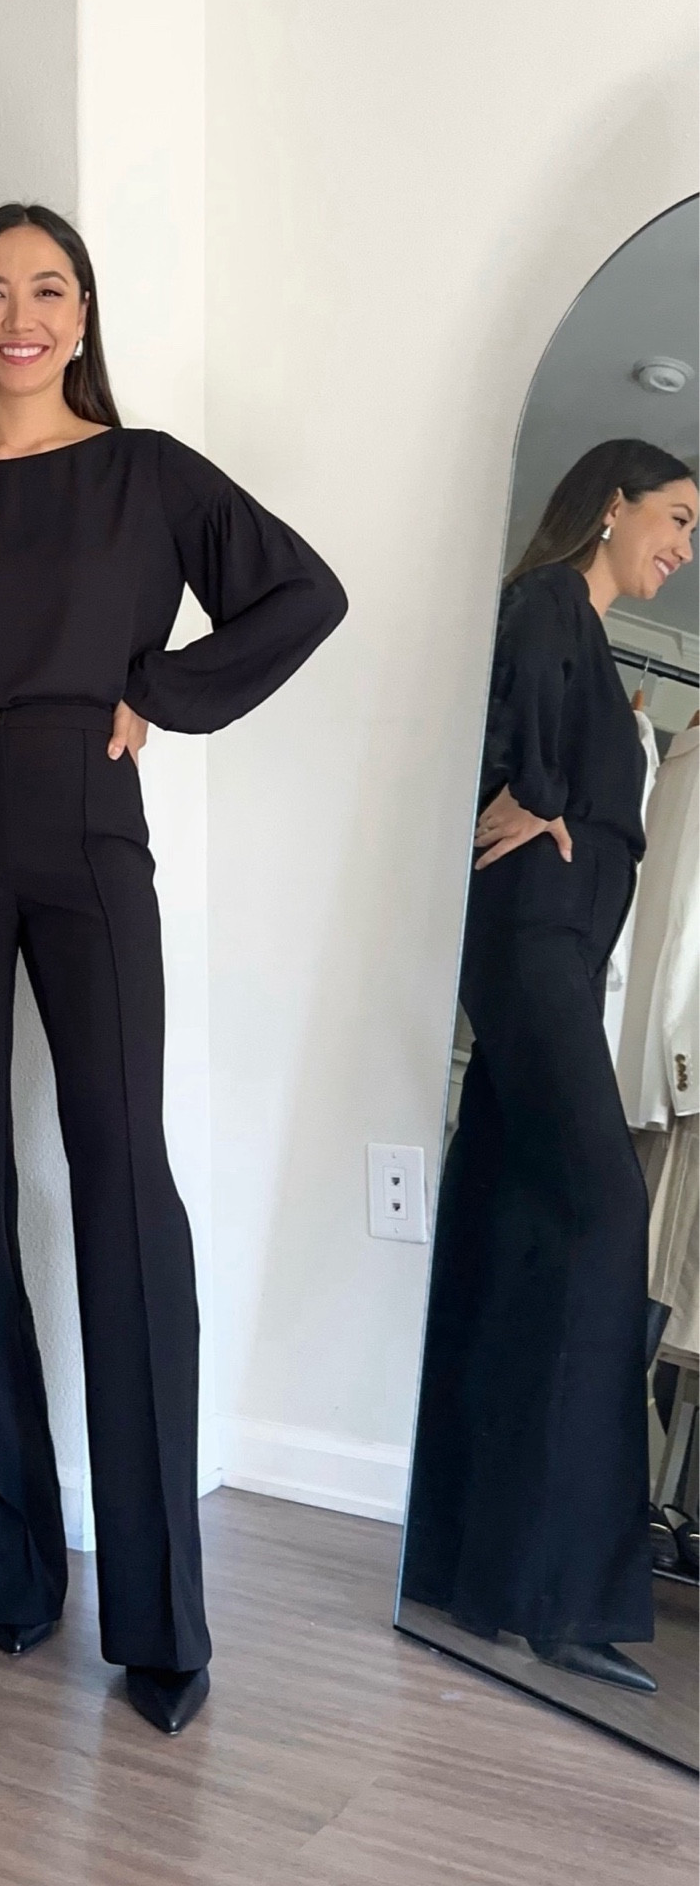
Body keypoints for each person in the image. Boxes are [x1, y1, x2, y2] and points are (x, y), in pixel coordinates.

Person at [0, 202, 346, 1735]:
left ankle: (162, 1618)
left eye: (48, 290)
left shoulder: (148, 474)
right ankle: (8, 1570)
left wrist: (155, 693)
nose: (20, 316)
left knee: (122, 1177)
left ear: (85, 314)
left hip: (85, 824)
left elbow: (301, 593)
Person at [403, 440, 697, 1696]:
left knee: (506, 1230)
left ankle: (457, 1558)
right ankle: (563, 1593)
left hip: (554, 963)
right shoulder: (544, 606)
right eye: (676, 517)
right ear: (613, 502)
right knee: (602, 1214)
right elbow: (507, 737)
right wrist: (536, 793)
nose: (682, 545)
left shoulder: (588, 640)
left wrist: (565, 793)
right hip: (528, 948)